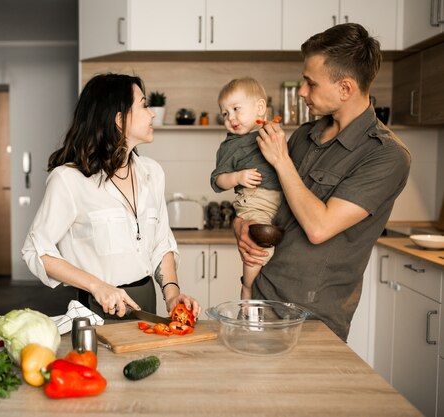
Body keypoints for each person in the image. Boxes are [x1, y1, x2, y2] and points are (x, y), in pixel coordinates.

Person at [233, 23, 411, 341]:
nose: (302, 92)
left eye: (310, 83)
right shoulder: (305, 134)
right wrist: (243, 226)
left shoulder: (387, 156)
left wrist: (281, 160)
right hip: (260, 295)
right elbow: (267, 200)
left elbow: (319, 228)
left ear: (345, 88)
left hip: (312, 319)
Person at [22, 73, 200, 319]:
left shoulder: (152, 173)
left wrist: (172, 294)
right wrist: (98, 286)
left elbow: (161, 242)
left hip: (147, 305)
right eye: (144, 105)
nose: (152, 114)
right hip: (97, 307)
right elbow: (37, 250)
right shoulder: (69, 179)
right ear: (119, 119)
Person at [210, 77, 283, 300]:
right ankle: (248, 288)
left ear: (260, 108)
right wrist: (237, 177)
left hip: (280, 202)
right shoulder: (231, 145)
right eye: (225, 113)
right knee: (258, 247)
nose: (230, 117)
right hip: (255, 201)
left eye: (236, 109)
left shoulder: (270, 132)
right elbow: (217, 181)